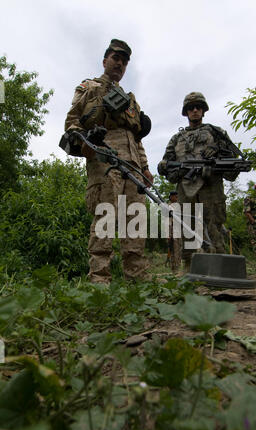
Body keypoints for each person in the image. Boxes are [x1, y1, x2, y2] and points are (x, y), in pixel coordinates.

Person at [62, 39, 153, 284]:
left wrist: (144, 167)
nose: (120, 64)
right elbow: (72, 122)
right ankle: (99, 281)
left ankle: (137, 280)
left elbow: (136, 137)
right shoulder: (89, 87)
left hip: (132, 165)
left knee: (134, 221)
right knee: (105, 217)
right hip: (104, 159)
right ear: (105, 61)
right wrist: (85, 145)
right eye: (115, 58)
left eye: (124, 62)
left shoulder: (130, 100)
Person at [158, 92, 240, 270]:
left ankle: (220, 271)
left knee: (214, 227)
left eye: (198, 107)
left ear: (203, 110)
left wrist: (217, 152)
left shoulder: (216, 134)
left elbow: (231, 163)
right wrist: (175, 169)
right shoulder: (177, 138)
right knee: (188, 228)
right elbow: (165, 164)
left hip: (211, 188)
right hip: (186, 189)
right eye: (190, 108)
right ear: (186, 112)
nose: (195, 110)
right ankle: (190, 272)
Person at [166, 190, 182, 273]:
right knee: (173, 251)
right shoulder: (169, 207)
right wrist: (168, 234)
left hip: (178, 230)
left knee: (178, 250)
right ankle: (174, 270)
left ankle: (178, 268)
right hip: (171, 231)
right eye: (175, 196)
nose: (177, 198)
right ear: (171, 197)